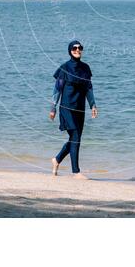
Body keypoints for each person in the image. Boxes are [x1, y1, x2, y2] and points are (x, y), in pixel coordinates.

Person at [49, 40, 98, 179]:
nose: (77, 50)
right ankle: (76, 172)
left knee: (75, 138)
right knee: (75, 136)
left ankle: (57, 160)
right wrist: (53, 108)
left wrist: (93, 105)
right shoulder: (64, 68)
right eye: (74, 48)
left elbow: (89, 89)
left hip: (79, 108)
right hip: (66, 107)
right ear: (70, 50)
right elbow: (57, 90)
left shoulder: (85, 68)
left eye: (80, 48)